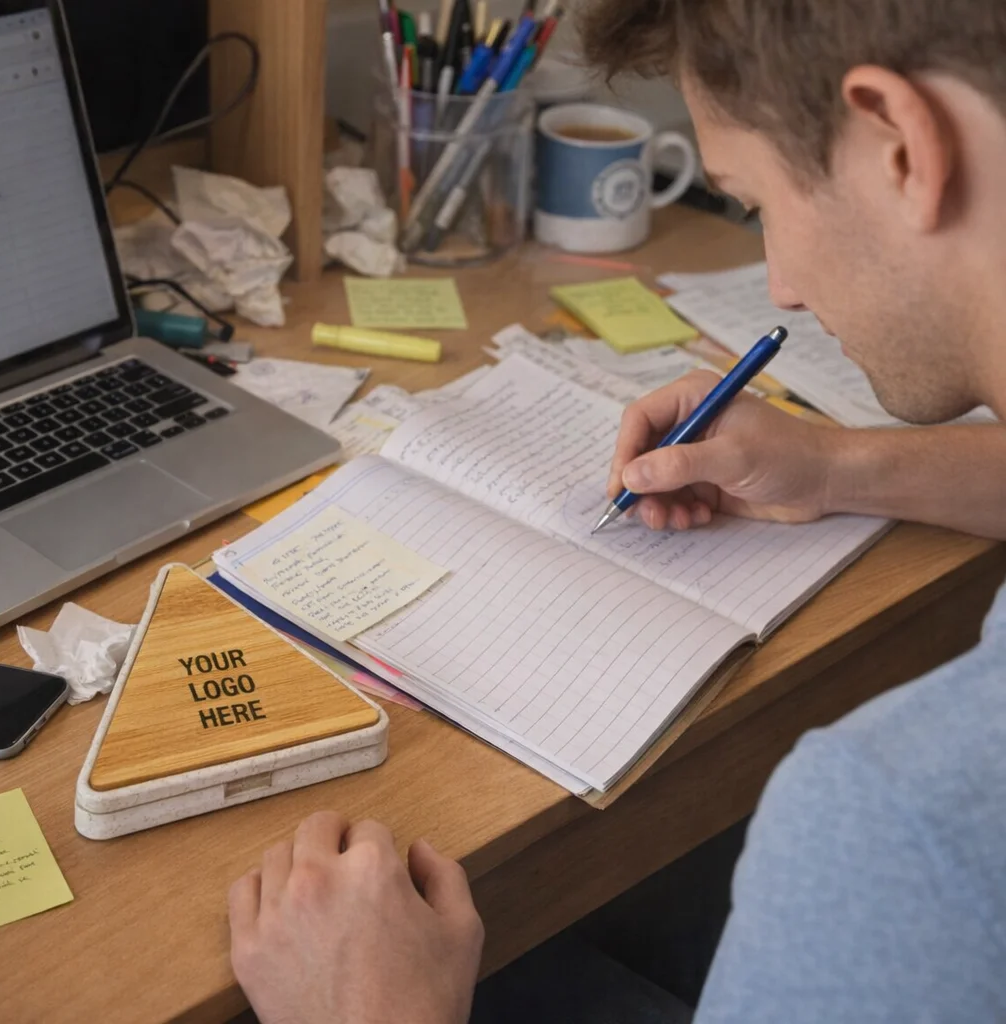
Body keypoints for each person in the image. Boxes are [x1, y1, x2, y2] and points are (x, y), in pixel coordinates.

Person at [226, 1, 1006, 1021]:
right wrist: (837, 463)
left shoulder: (892, 828)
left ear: (898, 144)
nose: (781, 286)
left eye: (753, 198)